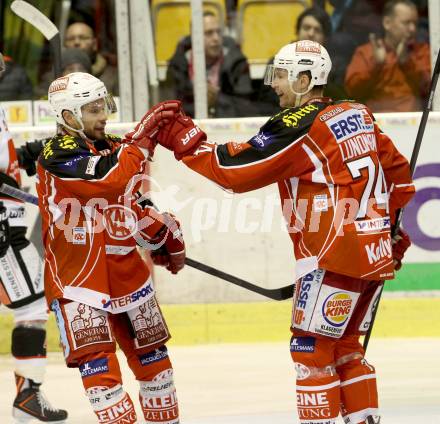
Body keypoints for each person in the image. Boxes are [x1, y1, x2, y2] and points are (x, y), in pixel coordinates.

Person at [151, 40, 415, 423]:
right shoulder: (358, 113)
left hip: (332, 255)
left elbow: (235, 171)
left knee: (311, 350)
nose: (273, 83)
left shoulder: (301, 124)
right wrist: (391, 230)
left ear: (305, 79)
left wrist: (183, 140)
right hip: (373, 254)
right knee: (346, 348)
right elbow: (400, 178)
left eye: (280, 75)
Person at [34, 72, 185, 423]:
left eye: (104, 105)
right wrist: (142, 139)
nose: (103, 115)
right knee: (102, 376)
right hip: (79, 283)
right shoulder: (56, 155)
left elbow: (134, 201)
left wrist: (163, 236)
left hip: (128, 275)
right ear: (68, 117)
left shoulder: (117, 147)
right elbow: (109, 178)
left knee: (158, 368)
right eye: (92, 109)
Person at [0, 51, 68, 422]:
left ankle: (27, 396)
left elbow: (6, 166)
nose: (2, 69)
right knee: (32, 307)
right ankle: (27, 398)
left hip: (7, 224)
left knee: (32, 305)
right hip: (2, 228)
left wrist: (38, 152)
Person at [345, 0, 431, 112]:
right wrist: (376, 65)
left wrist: (407, 63)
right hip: (376, 123)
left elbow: (432, 90)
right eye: (406, 23)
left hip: (415, 122)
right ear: (387, 23)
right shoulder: (367, 52)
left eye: (415, 23)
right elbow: (353, 92)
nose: (412, 29)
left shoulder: (422, 51)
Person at [165, 11, 254, 118]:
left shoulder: (237, 62)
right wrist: (199, 99)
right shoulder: (177, 65)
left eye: (218, 32)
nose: (216, 38)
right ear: (194, 37)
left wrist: (217, 100)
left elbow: (245, 107)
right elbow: (169, 108)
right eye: (209, 33)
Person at [258, 7, 333, 115]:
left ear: (325, 37)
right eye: (306, 28)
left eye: (317, 30)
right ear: (297, 31)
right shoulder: (278, 62)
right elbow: (265, 103)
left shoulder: (332, 66)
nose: (311, 33)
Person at [64, 22, 118, 95]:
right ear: (64, 45)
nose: (76, 42)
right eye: (71, 39)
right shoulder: (54, 77)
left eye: (83, 38)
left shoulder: (113, 78)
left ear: (95, 44)